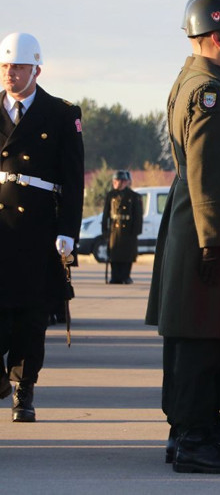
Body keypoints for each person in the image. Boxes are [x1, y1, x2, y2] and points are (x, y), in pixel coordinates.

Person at [145, 0, 220, 474]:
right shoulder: (205, 89)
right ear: (216, 38)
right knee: (199, 333)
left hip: (217, 222)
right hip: (207, 225)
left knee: (214, 331)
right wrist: (213, 237)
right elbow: (205, 170)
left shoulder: (214, 81)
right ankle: (191, 438)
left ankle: (202, 428)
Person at [0, 32, 84, 422]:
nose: (10, 74)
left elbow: (73, 178)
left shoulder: (61, 113)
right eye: (5, 66)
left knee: (31, 319)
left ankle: (24, 389)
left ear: (36, 69)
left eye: (18, 66)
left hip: (36, 229)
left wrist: (68, 230)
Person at [101, 170, 143, 284]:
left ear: (126, 182)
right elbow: (106, 214)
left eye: (121, 181)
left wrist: (136, 231)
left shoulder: (134, 196)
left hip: (129, 230)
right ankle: (115, 276)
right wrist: (105, 230)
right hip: (115, 229)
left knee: (127, 255)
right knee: (114, 254)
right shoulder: (111, 195)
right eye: (116, 181)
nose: (118, 183)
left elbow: (138, 215)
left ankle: (125, 276)